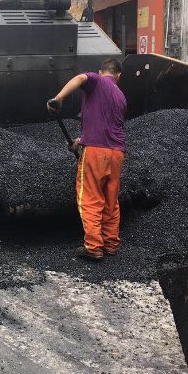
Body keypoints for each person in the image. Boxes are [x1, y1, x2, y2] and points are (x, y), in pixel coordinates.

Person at [47, 59, 127, 261]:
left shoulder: (97, 80)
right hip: (117, 153)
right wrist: (80, 142)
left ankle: (93, 247)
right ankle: (110, 244)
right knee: (111, 201)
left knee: (90, 199)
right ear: (119, 76)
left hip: (96, 153)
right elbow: (106, 126)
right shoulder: (121, 96)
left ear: (101, 72)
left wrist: (58, 99)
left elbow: (80, 78)